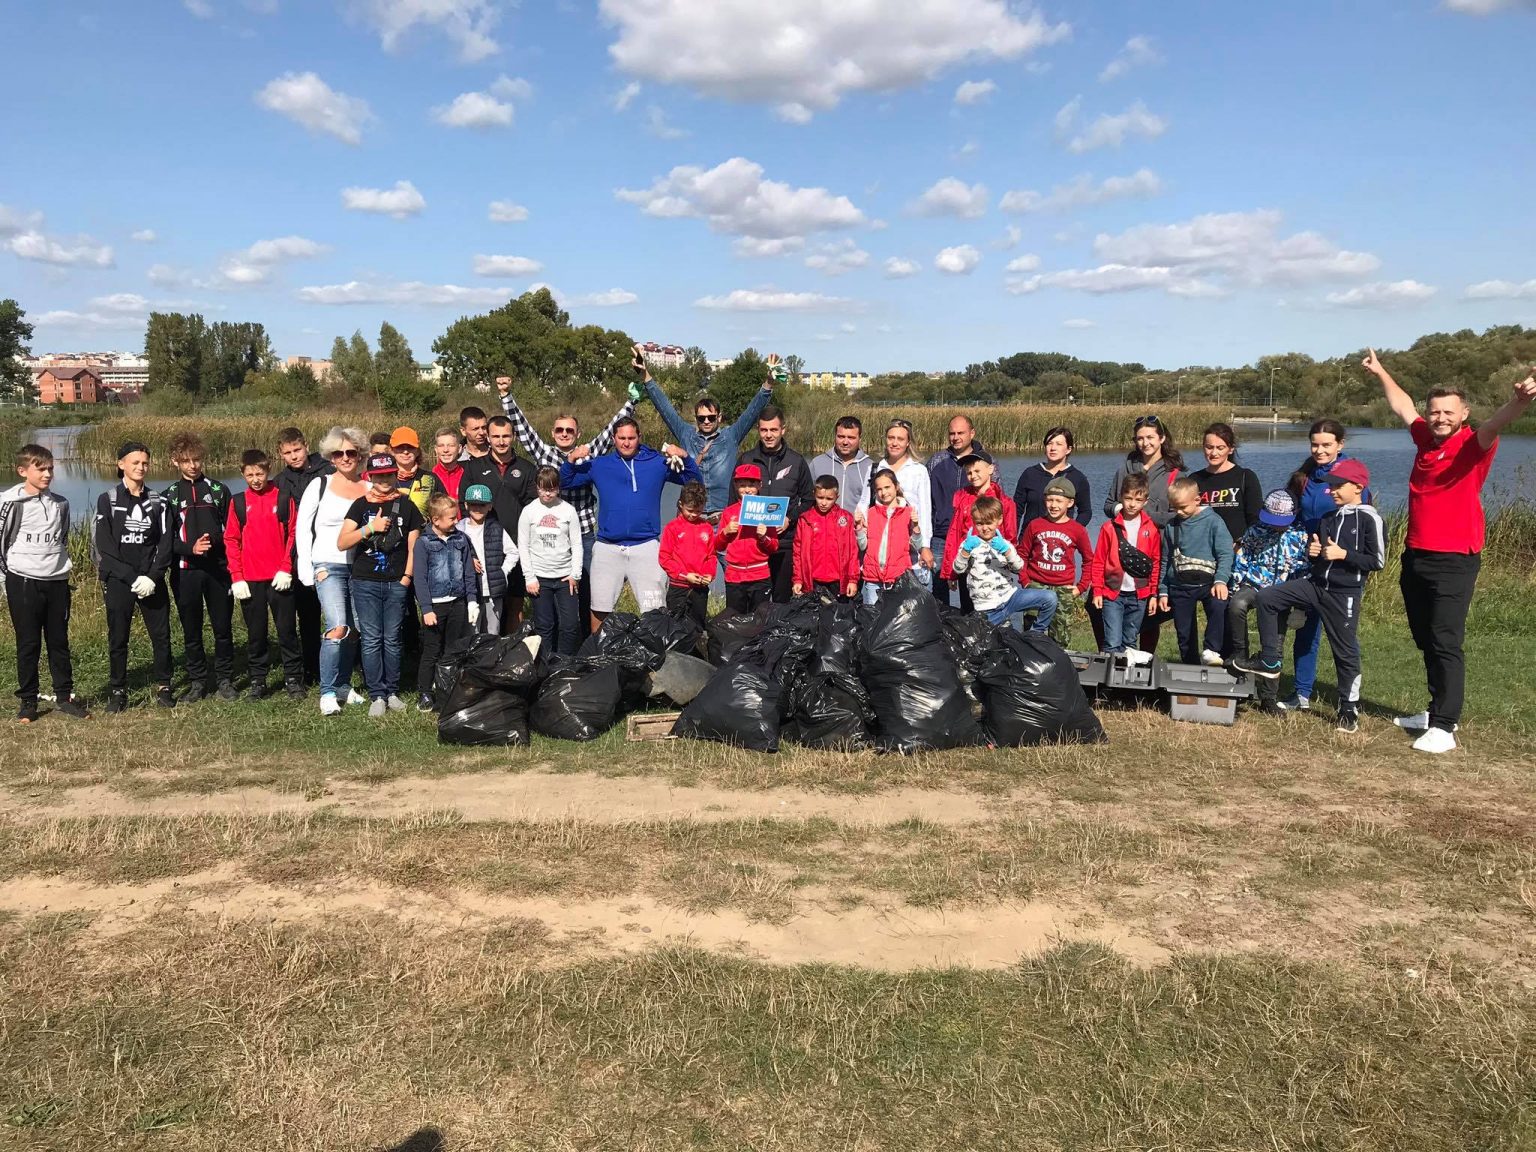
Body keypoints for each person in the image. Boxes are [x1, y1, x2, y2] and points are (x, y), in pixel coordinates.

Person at [1365, 349, 1536, 752]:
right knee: (1425, 638)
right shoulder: (1425, 437)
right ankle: (1434, 709)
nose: (1440, 418)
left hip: (1455, 558)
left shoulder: (1473, 445)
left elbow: (1496, 424)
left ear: (1464, 414)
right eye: (1435, 411)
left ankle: (1445, 726)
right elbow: (1404, 405)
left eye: (1448, 412)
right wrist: (1381, 371)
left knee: (1445, 640)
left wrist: (1521, 401)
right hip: (1416, 554)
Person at [1233, 458, 1385, 734]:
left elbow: (1377, 560)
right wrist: (1315, 556)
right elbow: (1317, 558)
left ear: (1358, 487)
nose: (1332, 491)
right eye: (1330, 485)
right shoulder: (1328, 519)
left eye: (1339, 486)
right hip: (1315, 586)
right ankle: (1269, 659)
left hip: (1343, 593)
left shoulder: (1370, 518)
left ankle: (1348, 708)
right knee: (1268, 598)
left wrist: (1343, 555)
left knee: (1345, 650)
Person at [495, 375, 636, 625]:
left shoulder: (587, 454)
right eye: (559, 430)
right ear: (553, 432)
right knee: (555, 592)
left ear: (577, 433)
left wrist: (631, 403)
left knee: (588, 591)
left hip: (583, 533)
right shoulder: (544, 452)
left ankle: (586, 642)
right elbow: (523, 428)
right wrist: (506, 396)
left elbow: (608, 433)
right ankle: (556, 641)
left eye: (569, 430)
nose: (564, 434)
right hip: (551, 536)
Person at [560, 417, 702, 631]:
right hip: (608, 546)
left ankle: (656, 656)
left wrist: (685, 457)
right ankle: (600, 655)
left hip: (646, 546)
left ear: (639, 438)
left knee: (654, 610)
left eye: (631, 438)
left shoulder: (657, 463)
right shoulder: (600, 465)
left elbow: (694, 481)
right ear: (614, 439)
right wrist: (571, 459)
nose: (626, 443)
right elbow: (565, 482)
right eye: (622, 438)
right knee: (600, 607)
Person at [1281, 419, 1373, 713]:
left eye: (1327, 445)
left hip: (1342, 568)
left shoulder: (1350, 478)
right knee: (1306, 629)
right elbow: (1293, 518)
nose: (1319, 450)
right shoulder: (1304, 477)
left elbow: (1364, 525)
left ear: (1340, 445)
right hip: (1309, 563)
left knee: (1343, 638)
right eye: (1315, 444)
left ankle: (1349, 701)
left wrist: (1341, 552)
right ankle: (1302, 693)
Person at [1, 443, 86, 722]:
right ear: (23, 470)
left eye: (51, 468)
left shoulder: (61, 502)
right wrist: (5, 581)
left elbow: (61, 539)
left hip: (57, 581)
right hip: (23, 581)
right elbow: (2, 544)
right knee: (28, 643)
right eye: (41, 469)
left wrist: (60, 571)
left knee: (59, 641)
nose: (48, 474)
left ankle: (65, 696)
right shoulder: (9, 502)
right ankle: (28, 701)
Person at [637, 344, 775, 515]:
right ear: (696, 418)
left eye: (711, 417)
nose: (707, 421)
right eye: (702, 418)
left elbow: (752, 412)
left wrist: (768, 384)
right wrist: (645, 376)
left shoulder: (730, 435)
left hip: (722, 515)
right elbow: (665, 408)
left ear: (719, 417)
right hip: (693, 516)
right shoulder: (686, 434)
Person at [338, 452, 424, 718]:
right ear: (371, 477)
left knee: (393, 639)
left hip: (396, 582)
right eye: (379, 476)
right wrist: (370, 528)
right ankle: (377, 694)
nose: (384, 480)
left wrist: (406, 578)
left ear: (394, 475)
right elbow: (342, 542)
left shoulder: (407, 505)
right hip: (365, 582)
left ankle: (392, 691)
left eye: (388, 474)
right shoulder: (360, 505)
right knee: (372, 639)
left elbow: (414, 546)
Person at [94, 441, 175, 712]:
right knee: (118, 636)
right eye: (135, 462)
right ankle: (118, 691)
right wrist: (130, 577)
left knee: (161, 635)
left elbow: (166, 543)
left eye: (144, 463)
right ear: (121, 465)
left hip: (151, 581)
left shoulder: (159, 501)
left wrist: (152, 576)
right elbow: (104, 546)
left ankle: (164, 686)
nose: (141, 467)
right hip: (120, 580)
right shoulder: (108, 500)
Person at [296, 426, 369, 716]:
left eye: (351, 452)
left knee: (355, 630)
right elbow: (303, 527)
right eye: (339, 453)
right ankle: (327, 691)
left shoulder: (368, 488)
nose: (345, 457)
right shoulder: (320, 485)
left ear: (361, 455)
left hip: (360, 567)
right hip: (327, 564)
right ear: (331, 456)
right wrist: (305, 568)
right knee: (337, 626)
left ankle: (342, 684)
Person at [226, 449, 304, 701]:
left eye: (259, 473)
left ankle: (293, 679)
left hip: (279, 578)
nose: (255, 479)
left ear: (268, 470)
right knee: (255, 634)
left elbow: (293, 534)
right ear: (242, 474)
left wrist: (285, 568)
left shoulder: (283, 498)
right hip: (250, 580)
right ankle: (258, 681)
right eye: (250, 475)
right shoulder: (237, 502)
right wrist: (236, 576)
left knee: (287, 631)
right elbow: (231, 539)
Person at [164, 432, 236, 702]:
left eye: (196, 459)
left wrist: (214, 542)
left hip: (218, 569)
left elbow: (231, 531)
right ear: (175, 462)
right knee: (191, 630)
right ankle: (197, 681)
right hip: (185, 571)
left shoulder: (218, 490)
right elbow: (164, 539)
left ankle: (225, 679)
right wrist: (189, 548)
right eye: (185, 461)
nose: (192, 465)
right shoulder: (169, 495)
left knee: (222, 628)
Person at [1104, 414, 1184, 653]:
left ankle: (1143, 658)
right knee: (1108, 604)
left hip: (1155, 547)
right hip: (1123, 549)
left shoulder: (1174, 474)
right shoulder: (1126, 468)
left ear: (1161, 438)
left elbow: (1178, 513)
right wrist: (1125, 512)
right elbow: (1109, 504)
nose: (1145, 443)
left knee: (1148, 612)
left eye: (1150, 437)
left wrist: (1146, 517)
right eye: (1140, 438)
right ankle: (1111, 656)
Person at [1225, 489, 1309, 713]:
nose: (1277, 526)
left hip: (1282, 593)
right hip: (1254, 584)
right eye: (1273, 520)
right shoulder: (1255, 530)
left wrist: (1299, 606)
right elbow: (1242, 559)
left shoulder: (1300, 535)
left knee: (1276, 643)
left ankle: (1268, 698)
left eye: (1282, 522)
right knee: (1236, 605)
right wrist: (1234, 588)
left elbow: (1302, 570)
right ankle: (1240, 658)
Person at [461, 415, 538, 631]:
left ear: (513, 437)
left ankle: (511, 648)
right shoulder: (474, 467)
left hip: (516, 544)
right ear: (488, 437)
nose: (501, 441)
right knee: (483, 600)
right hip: (483, 546)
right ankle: (482, 650)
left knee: (515, 601)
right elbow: (462, 505)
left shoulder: (527, 468)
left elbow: (533, 508)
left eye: (506, 436)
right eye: (496, 436)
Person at [736, 406, 813, 602]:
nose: (768, 435)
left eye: (773, 430)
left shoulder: (796, 461)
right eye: (764, 430)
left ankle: (778, 632)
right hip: (753, 545)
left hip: (784, 543)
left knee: (781, 602)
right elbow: (733, 501)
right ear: (758, 430)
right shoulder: (746, 459)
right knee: (754, 604)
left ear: (783, 430)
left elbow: (809, 500)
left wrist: (790, 518)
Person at [413, 493, 479, 711]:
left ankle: (447, 689)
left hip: (457, 602)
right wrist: (426, 608)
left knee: (452, 650)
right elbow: (420, 578)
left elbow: (469, 571)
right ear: (436, 520)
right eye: (451, 518)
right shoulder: (424, 543)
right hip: (435, 605)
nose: (455, 521)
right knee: (432, 650)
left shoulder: (461, 540)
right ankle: (424, 691)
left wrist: (471, 601)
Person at [1157, 477, 1234, 665]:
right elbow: (1166, 560)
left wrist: (1221, 580)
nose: (1179, 512)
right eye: (1174, 508)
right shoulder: (1171, 526)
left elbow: (1225, 554)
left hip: (1210, 583)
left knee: (1219, 608)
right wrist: (1163, 590)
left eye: (1183, 507)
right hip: (1180, 585)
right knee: (1184, 631)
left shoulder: (1214, 522)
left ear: (1197, 500)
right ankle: (1190, 665)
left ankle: (1213, 651)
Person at [276, 427, 331, 685]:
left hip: (330, 549)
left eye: (297, 450)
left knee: (336, 613)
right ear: (281, 454)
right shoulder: (279, 482)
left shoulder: (328, 469)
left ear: (306, 446)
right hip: (299, 556)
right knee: (307, 615)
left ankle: (343, 664)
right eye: (288, 452)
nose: (294, 456)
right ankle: (311, 668)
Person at [953, 497, 1056, 632]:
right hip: (987, 608)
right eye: (979, 523)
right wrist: (966, 551)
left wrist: (1007, 551)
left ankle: (1036, 633)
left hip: (1010, 597)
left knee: (1050, 598)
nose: (984, 528)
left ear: (999, 520)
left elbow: (1018, 567)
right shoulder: (969, 544)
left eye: (989, 523)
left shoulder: (1004, 544)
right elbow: (958, 569)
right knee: (998, 643)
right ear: (974, 522)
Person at [1090, 473, 1162, 661]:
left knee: (1130, 641)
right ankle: (1108, 685)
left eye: (1138, 500)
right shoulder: (1109, 527)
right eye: (1128, 498)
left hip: (1139, 594)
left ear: (1145, 501)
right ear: (1121, 497)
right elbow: (1099, 560)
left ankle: (1127, 685)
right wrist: (1098, 590)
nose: (1132, 504)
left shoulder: (1151, 529)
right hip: (1113, 593)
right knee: (1112, 641)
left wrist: (1153, 594)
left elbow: (1155, 562)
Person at [1019, 476, 1093, 648]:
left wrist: (1081, 587)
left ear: (1070, 503)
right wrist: (1025, 581)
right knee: (1031, 635)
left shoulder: (1078, 530)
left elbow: (1089, 560)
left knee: (1060, 637)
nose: (1053, 505)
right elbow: (1022, 554)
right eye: (1050, 500)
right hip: (1036, 585)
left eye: (1059, 501)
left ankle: (1058, 668)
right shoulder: (1035, 525)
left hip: (1063, 588)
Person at [939, 449, 1017, 612]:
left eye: (977, 471)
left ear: (990, 469)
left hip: (995, 567)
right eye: (969, 473)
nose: (973, 475)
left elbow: (1011, 537)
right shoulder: (962, 498)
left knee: (998, 612)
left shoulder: (1004, 502)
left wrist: (1012, 565)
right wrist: (950, 573)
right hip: (968, 568)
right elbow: (954, 534)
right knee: (969, 613)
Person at [518, 465, 583, 658]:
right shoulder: (529, 511)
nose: (547, 493)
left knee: (570, 624)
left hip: (565, 578)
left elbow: (577, 544)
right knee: (545, 626)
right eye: (543, 488)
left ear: (558, 488)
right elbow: (523, 546)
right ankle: (545, 663)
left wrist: (575, 574)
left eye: (552, 489)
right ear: (537, 487)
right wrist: (529, 577)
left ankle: (564, 662)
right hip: (540, 578)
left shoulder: (568, 510)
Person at [929, 415, 984, 606]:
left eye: (961, 433)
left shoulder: (984, 461)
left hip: (972, 537)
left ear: (972, 433)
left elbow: (995, 500)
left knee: (970, 590)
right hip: (940, 536)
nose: (956, 437)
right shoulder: (937, 460)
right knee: (939, 589)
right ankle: (940, 631)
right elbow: (927, 498)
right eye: (952, 433)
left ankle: (969, 631)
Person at [873, 419, 934, 587]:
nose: (894, 443)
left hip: (911, 545)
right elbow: (867, 506)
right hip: (884, 547)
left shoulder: (918, 470)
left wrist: (925, 546)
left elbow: (925, 509)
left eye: (900, 439)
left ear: (908, 442)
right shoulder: (876, 468)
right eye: (891, 438)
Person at [457, 483, 519, 636]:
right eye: (473, 505)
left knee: (492, 631)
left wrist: (503, 571)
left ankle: (491, 660)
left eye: (482, 505)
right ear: (465, 505)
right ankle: (474, 661)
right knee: (472, 631)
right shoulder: (458, 530)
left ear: (490, 506)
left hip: (492, 590)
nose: (477, 509)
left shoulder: (496, 528)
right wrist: (466, 561)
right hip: (468, 591)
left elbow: (513, 552)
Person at [716, 464, 780, 613]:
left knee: (759, 620)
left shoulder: (767, 510)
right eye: (742, 485)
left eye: (751, 485)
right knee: (735, 619)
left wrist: (764, 537)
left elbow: (774, 546)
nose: (747, 489)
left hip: (760, 576)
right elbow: (717, 546)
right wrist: (725, 532)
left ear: (760, 485)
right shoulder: (728, 512)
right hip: (734, 576)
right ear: (736, 486)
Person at [859, 468, 922, 607]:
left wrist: (916, 526)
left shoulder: (908, 512)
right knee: (873, 619)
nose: (883, 492)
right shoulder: (871, 512)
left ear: (896, 486)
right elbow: (863, 546)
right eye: (879, 489)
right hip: (873, 578)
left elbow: (917, 546)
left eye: (887, 487)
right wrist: (858, 528)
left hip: (898, 578)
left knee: (896, 621)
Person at [1191, 423, 1263, 544]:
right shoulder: (1194, 479)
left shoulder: (1246, 477)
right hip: (1203, 552)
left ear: (1230, 449)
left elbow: (1255, 519)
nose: (1214, 453)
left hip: (1237, 551)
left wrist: (1243, 544)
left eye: (1220, 448)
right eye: (1209, 447)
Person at [792, 475, 860, 600]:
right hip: (812, 581)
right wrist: (798, 579)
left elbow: (852, 552)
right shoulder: (805, 519)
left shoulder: (845, 518)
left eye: (829, 499)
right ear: (814, 494)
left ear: (836, 497)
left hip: (838, 581)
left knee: (838, 616)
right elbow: (797, 553)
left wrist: (853, 579)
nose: (824, 502)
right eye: (820, 497)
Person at [659, 481, 716, 627]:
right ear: (680, 504)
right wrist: (685, 575)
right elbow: (664, 558)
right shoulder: (672, 528)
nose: (693, 515)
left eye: (698, 511)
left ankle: (696, 649)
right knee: (675, 627)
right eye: (689, 510)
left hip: (700, 588)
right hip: (678, 587)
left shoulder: (707, 527)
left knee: (697, 627)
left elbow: (711, 556)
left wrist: (709, 574)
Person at [1013, 426, 1091, 532]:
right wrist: (1012, 540)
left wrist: (1072, 532)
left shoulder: (1077, 478)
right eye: (1049, 443)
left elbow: (1085, 512)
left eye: (1058, 444)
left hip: (1061, 542)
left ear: (1068, 449)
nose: (1053, 448)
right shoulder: (1030, 474)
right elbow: (1016, 510)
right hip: (1029, 541)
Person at [808, 416, 872, 522]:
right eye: (841, 436)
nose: (845, 442)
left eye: (851, 438)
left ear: (860, 439)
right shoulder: (817, 463)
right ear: (835, 436)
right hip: (824, 531)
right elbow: (807, 499)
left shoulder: (870, 467)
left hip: (856, 532)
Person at [389, 427, 438, 517]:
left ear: (417, 451)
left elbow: (443, 510)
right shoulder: (384, 478)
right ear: (392, 450)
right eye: (400, 447)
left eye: (410, 447)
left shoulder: (431, 478)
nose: (406, 452)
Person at [431, 428, 466, 503]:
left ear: (459, 448)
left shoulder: (468, 474)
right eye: (441, 446)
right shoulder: (429, 477)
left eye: (451, 445)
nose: (446, 450)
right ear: (436, 449)